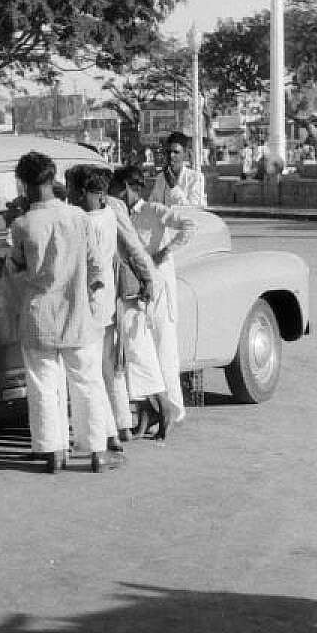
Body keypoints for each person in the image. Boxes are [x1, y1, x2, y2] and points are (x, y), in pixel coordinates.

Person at [5, 151, 112, 473]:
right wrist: (90, 296)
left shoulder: (22, 224)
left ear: (23, 183)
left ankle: (52, 452)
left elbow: (16, 268)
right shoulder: (78, 217)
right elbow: (97, 267)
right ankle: (97, 452)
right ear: (53, 179)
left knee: (43, 385)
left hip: (39, 317)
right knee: (87, 383)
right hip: (77, 315)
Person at [69, 164, 155, 452]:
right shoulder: (110, 211)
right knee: (109, 365)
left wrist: (146, 277)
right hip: (108, 297)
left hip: (94, 298)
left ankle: (109, 431)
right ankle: (121, 424)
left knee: (94, 369)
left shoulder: (83, 219)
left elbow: (131, 247)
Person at [120, 166, 197, 433]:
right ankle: (150, 412)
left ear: (129, 188)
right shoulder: (122, 216)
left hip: (160, 287)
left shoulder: (153, 211)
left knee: (164, 349)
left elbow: (189, 225)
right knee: (142, 354)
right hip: (137, 288)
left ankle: (173, 411)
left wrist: (165, 251)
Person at [151, 131, 206, 207]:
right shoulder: (161, 178)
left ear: (185, 153)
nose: (171, 155)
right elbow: (152, 205)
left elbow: (193, 210)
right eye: (168, 152)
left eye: (176, 152)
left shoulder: (196, 178)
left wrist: (173, 187)